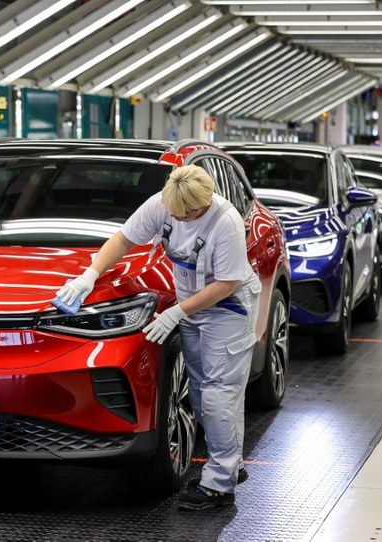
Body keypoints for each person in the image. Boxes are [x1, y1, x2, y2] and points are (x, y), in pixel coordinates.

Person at [56, 165, 261, 511]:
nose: (180, 220)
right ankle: (230, 464)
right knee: (200, 391)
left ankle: (219, 486)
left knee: (218, 394)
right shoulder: (162, 205)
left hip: (229, 309)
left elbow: (226, 284)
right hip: (192, 305)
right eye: (175, 214)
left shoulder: (225, 224)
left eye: (189, 214)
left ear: (206, 202)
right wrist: (88, 276)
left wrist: (176, 313)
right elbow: (123, 239)